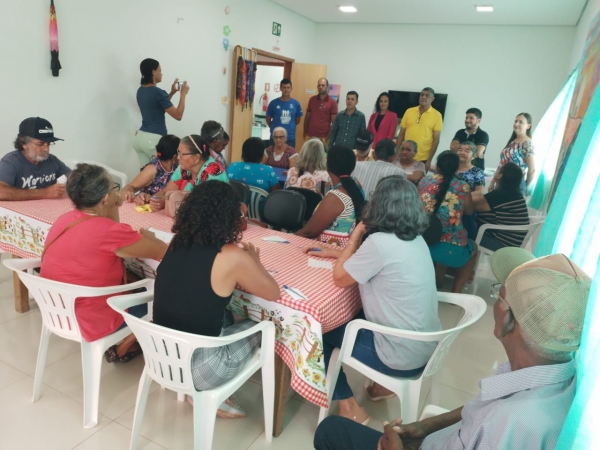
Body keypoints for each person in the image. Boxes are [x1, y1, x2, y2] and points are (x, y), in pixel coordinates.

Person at [314, 248, 591, 450]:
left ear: (508, 320)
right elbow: (482, 409)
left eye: (500, 294)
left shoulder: (513, 422)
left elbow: (493, 422)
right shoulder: (558, 373)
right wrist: (426, 427)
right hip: (439, 438)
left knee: (329, 431)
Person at [306, 176, 441, 426]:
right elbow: (371, 261)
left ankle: (349, 407)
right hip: (425, 346)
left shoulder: (380, 242)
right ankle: (381, 387)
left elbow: (339, 277)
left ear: (377, 206)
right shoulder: (414, 238)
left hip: (398, 356)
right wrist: (337, 252)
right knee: (351, 316)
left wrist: (356, 234)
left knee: (317, 331)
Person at [153, 180, 280, 418]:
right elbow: (273, 292)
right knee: (265, 326)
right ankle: (218, 394)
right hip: (203, 371)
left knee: (220, 307)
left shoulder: (176, 242)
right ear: (229, 216)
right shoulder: (230, 255)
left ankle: (209, 389)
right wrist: (255, 261)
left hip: (162, 357)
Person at [40, 164, 167, 361]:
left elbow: (109, 235)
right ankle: (129, 344)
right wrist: (149, 236)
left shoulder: (63, 219)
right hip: (91, 319)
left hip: (56, 311)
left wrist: (112, 206)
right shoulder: (110, 232)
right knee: (160, 296)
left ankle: (129, 343)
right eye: (114, 188)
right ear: (106, 198)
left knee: (133, 280)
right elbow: (162, 251)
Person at [419, 151, 476, 293]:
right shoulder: (463, 186)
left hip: (421, 242)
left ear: (437, 166)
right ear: (457, 169)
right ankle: (457, 291)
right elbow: (469, 211)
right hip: (451, 248)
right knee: (473, 248)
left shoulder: (424, 181)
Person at [296, 145, 365, 246]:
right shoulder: (356, 185)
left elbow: (308, 232)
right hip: (347, 247)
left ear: (328, 165)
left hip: (329, 249)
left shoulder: (336, 197)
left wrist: (287, 241)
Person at [136, 135, 228, 211]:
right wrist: (152, 199)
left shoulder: (213, 172)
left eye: (182, 154)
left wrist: (168, 202)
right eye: (178, 153)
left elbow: (207, 208)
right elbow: (165, 192)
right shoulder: (183, 169)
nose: (178, 158)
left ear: (196, 158)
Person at [133, 58, 189, 167]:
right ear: (153, 72)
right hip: (153, 140)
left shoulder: (140, 90)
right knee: (167, 172)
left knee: (146, 177)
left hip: (139, 139)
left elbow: (158, 106)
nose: (161, 74)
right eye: (159, 70)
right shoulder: (158, 93)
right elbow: (178, 115)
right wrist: (183, 95)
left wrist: (172, 92)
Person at [0, 117, 71, 201]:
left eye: (48, 144)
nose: (46, 149)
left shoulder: (52, 160)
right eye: (40, 144)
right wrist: (44, 193)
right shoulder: (10, 162)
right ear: (24, 144)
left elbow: (74, 178)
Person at [474, 162, 529, 251]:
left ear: (500, 175)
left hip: (502, 244)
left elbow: (469, 206)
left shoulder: (499, 196)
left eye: (498, 169)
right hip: (513, 243)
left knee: (464, 230)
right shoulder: (516, 194)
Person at [122, 134, 180, 202]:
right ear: (175, 156)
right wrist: (128, 192)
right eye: (180, 152)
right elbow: (131, 186)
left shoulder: (177, 166)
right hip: (150, 206)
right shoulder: (152, 169)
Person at [397, 87, 443, 171]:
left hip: (423, 159)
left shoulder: (437, 115)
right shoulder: (409, 111)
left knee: (417, 182)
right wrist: (396, 153)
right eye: (422, 95)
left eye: (427, 96)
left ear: (432, 99)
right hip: (405, 156)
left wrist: (429, 160)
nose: (423, 97)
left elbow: (436, 140)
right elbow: (401, 134)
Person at [489, 113, 535, 196]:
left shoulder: (527, 144)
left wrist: (525, 187)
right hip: (501, 182)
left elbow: (532, 170)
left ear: (528, 126)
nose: (516, 124)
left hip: (515, 184)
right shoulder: (512, 141)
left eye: (521, 122)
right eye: (516, 121)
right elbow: (501, 165)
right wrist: (493, 181)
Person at [455, 141, 485, 239]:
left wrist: (459, 197)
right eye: (460, 150)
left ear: (474, 156)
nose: (462, 152)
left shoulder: (477, 171)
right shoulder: (450, 168)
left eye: (467, 151)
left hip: (466, 207)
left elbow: (479, 192)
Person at [266, 78, 303, 148]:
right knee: (272, 158)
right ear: (280, 88)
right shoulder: (273, 103)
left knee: (290, 158)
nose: (286, 89)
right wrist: (275, 128)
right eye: (284, 87)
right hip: (275, 137)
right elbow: (268, 119)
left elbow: (297, 120)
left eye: (288, 87)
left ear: (291, 89)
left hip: (290, 138)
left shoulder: (296, 104)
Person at [304, 78, 338, 143]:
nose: (320, 87)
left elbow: (334, 122)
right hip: (310, 135)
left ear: (327, 86)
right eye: (319, 85)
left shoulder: (332, 102)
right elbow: (307, 117)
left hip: (323, 137)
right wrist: (305, 131)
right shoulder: (312, 99)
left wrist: (328, 136)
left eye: (323, 85)